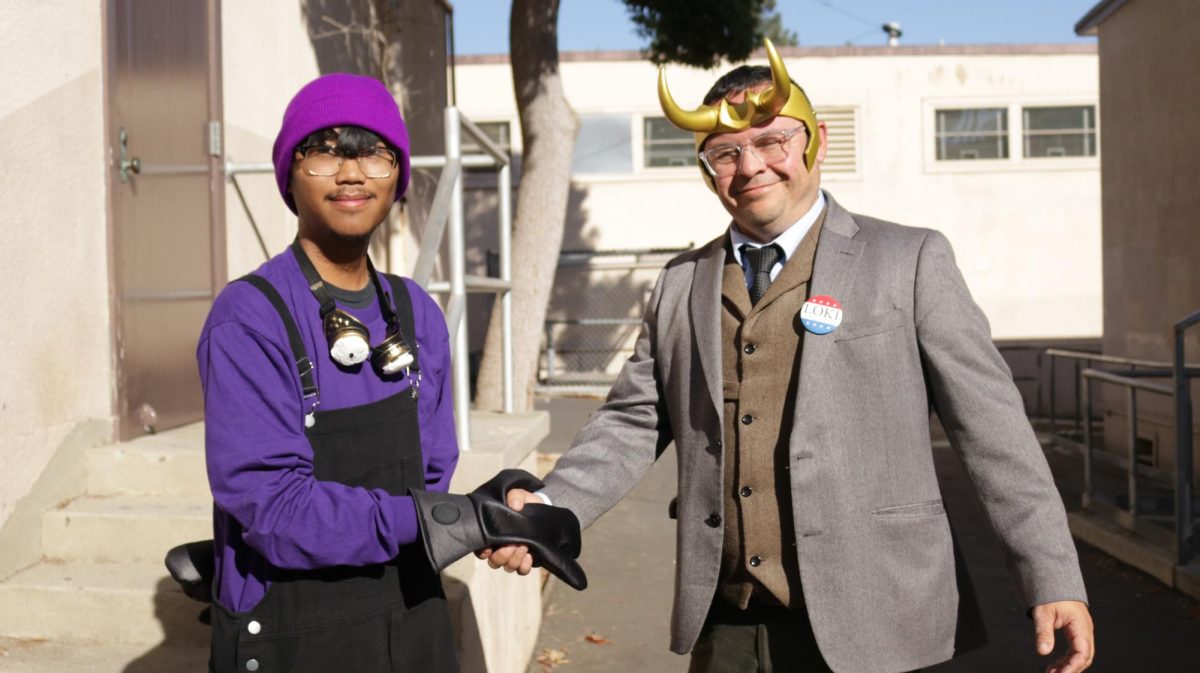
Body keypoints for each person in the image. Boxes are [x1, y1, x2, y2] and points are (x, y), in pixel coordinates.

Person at [484, 40, 1095, 673]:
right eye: (726, 152)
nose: (751, 167)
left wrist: (1051, 574)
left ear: (816, 142)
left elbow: (994, 432)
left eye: (772, 141)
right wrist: (551, 507)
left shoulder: (909, 261)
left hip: (879, 612)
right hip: (727, 616)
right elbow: (630, 421)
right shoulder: (678, 284)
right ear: (707, 170)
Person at [197, 73, 584, 673]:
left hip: (410, 615)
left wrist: (490, 509)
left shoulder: (416, 314)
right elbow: (274, 509)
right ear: (289, 175)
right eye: (325, 149)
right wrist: (447, 520)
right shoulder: (251, 317)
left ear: (398, 178)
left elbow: (427, 478)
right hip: (294, 632)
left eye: (374, 153)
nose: (351, 173)